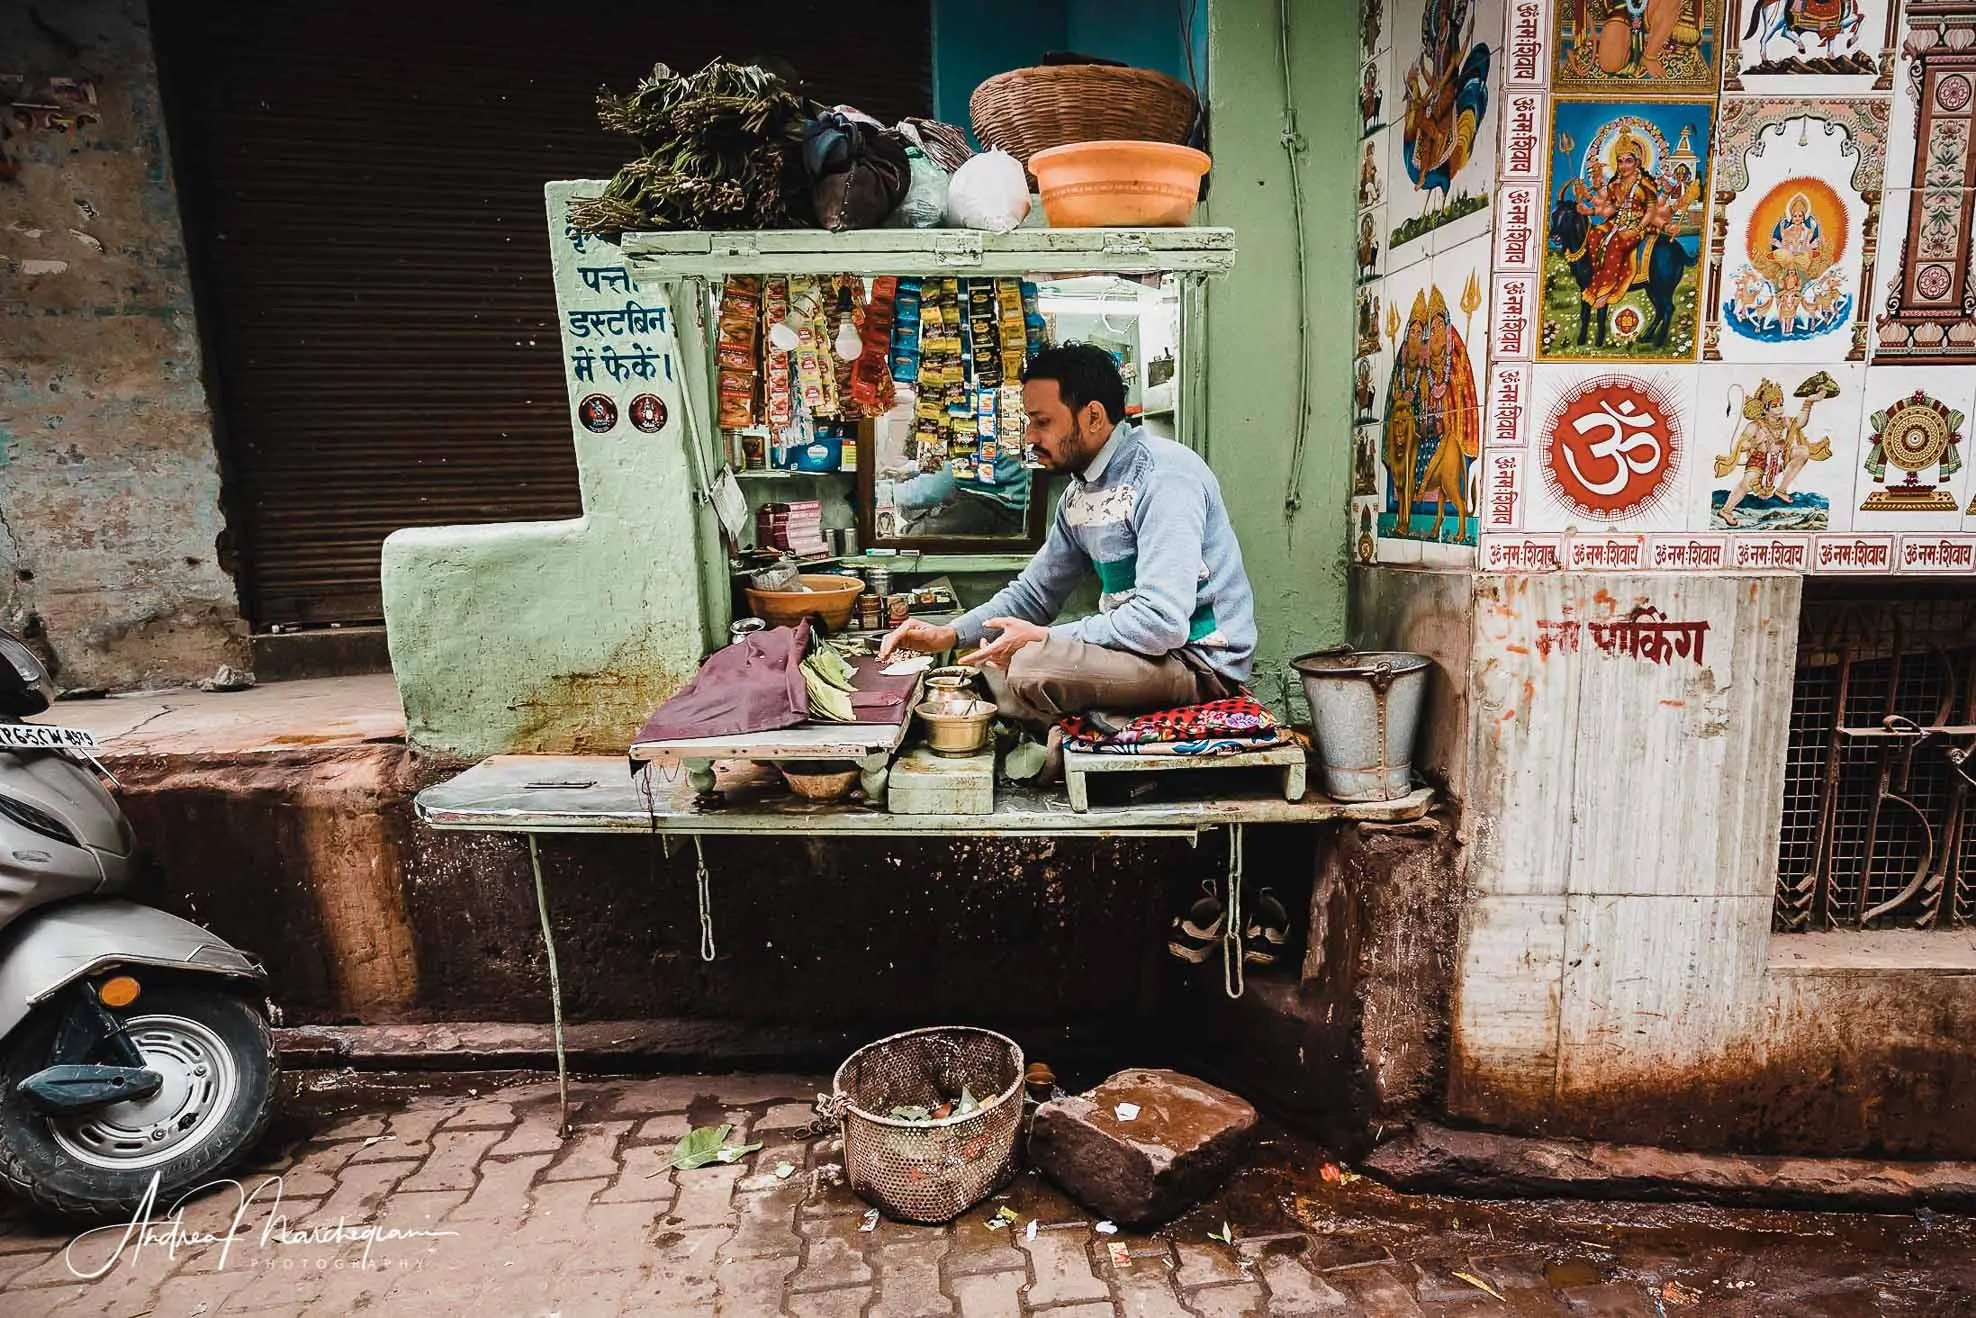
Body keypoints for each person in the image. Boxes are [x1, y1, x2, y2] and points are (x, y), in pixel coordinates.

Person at [878, 343, 1257, 736]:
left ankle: (1093, 724)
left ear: (1093, 416)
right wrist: (950, 634)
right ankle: (1096, 720)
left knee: (1028, 667)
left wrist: (1044, 638)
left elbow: (1162, 623)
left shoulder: (1163, 478)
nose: (1029, 436)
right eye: (1028, 421)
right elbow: (1034, 595)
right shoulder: (1080, 495)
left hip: (1196, 664)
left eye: (1042, 421)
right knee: (986, 660)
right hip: (1140, 655)